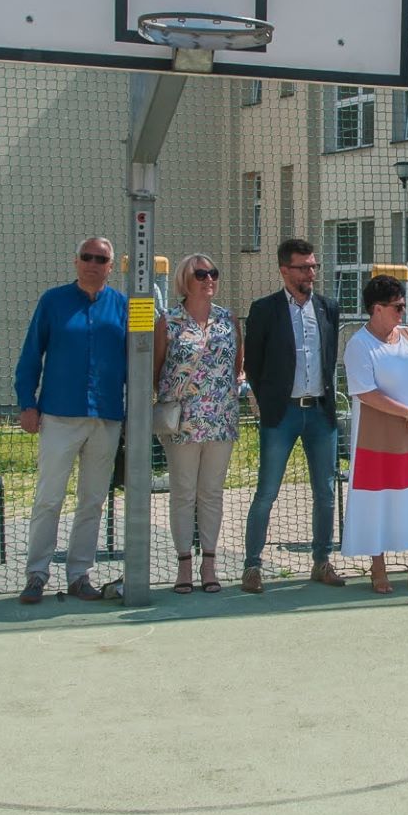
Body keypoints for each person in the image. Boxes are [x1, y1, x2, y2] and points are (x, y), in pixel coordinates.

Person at [13, 237, 127, 603]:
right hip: (59, 415)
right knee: (49, 497)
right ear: (76, 261)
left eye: (101, 258)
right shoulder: (53, 301)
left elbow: (139, 359)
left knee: (92, 499)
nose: (93, 263)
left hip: (106, 417)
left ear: (111, 265)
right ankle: (36, 574)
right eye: (86, 257)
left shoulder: (123, 305)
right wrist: (26, 403)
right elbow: (32, 353)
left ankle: (79, 575)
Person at [242, 237, 344, 594]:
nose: (311, 273)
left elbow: (330, 357)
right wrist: (267, 400)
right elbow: (252, 363)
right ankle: (252, 566)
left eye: (314, 266)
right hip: (282, 414)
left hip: (319, 412)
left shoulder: (328, 308)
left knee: (325, 492)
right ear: (285, 270)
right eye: (303, 267)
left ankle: (322, 561)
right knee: (266, 492)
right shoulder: (264, 309)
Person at [341, 275, 408, 593]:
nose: (403, 313)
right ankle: (379, 569)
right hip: (376, 438)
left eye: (403, 306)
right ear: (377, 309)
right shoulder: (359, 344)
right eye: (398, 307)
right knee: (378, 500)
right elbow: (366, 393)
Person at [154, 253, 242, 594]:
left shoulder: (227, 319)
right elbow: (157, 368)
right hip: (182, 423)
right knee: (183, 492)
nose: (209, 280)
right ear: (184, 280)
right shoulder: (169, 320)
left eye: (213, 274)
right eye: (200, 274)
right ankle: (183, 566)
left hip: (221, 420)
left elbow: (236, 366)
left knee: (211, 493)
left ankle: (209, 563)